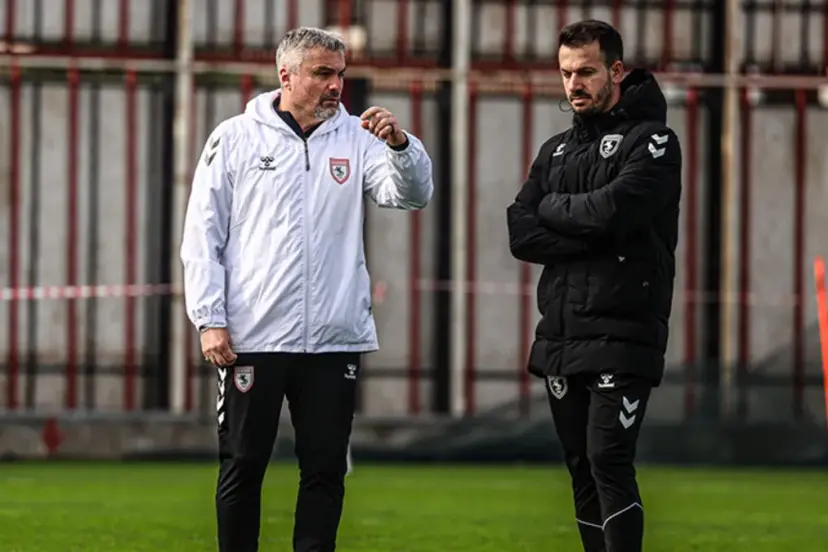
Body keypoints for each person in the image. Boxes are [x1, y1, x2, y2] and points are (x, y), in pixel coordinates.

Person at [180, 26, 434, 552]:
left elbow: (409, 196)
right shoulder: (235, 138)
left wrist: (401, 146)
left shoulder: (358, 138)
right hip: (253, 336)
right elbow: (203, 234)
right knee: (243, 463)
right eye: (322, 73)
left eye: (340, 74)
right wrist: (209, 318)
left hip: (333, 340)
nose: (335, 85)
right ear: (287, 75)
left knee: (325, 469)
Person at [506, 20, 681, 552]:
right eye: (566, 73)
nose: (573, 83)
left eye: (585, 71)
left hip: (624, 331)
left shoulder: (654, 142)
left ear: (616, 71)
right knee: (581, 466)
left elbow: (614, 210)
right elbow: (520, 230)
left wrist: (554, 210)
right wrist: (589, 234)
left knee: (609, 458)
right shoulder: (555, 150)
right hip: (562, 333)